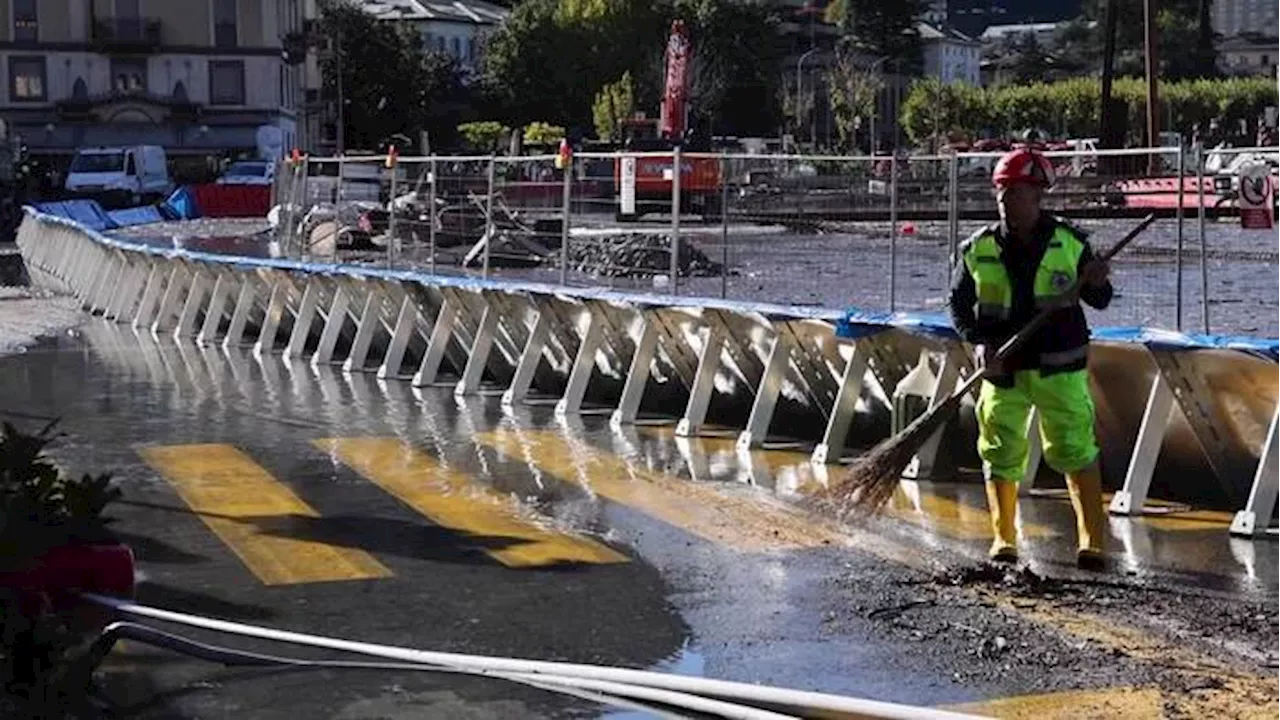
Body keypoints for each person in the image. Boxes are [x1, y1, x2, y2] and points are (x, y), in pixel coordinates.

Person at [948, 147, 1113, 571]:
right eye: (1002, 193)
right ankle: (1004, 538)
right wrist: (978, 343)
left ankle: (1091, 542)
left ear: (1037, 196)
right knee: (1000, 449)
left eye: (1016, 193)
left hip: (1059, 367)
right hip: (1003, 371)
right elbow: (959, 307)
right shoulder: (977, 250)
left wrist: (1096, 281)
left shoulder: (1071, 244)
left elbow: (1101, 301)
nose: (1007, 201)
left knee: (1074, 447)